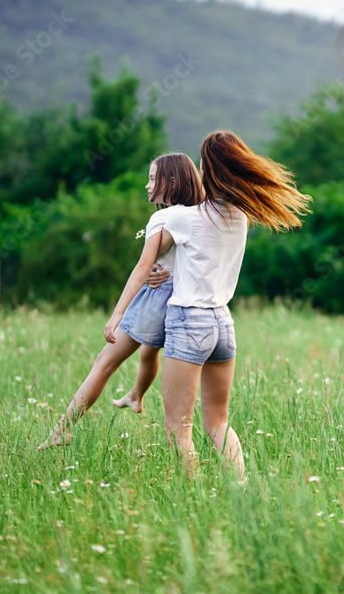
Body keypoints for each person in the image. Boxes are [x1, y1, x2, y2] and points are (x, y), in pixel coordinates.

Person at [153, 130, 311, 476]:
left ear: (207, 168)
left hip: (188, 321)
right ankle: (240, 488)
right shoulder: (239, 216)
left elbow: (152, 260)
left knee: (178, 427)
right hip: (223, 325)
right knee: (217, 422)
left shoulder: (182, 217)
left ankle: (191, 495)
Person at [37, 153, 204, 450]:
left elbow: (142, 268)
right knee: (149, 352)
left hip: (158, 298)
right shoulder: (201, 214)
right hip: (187, 301)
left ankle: (63, 428)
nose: (146, 185)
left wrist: (117, 315)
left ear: (173, 181)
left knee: (104, 363)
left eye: (153, 178)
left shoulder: (162, 218)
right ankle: (137, 396)